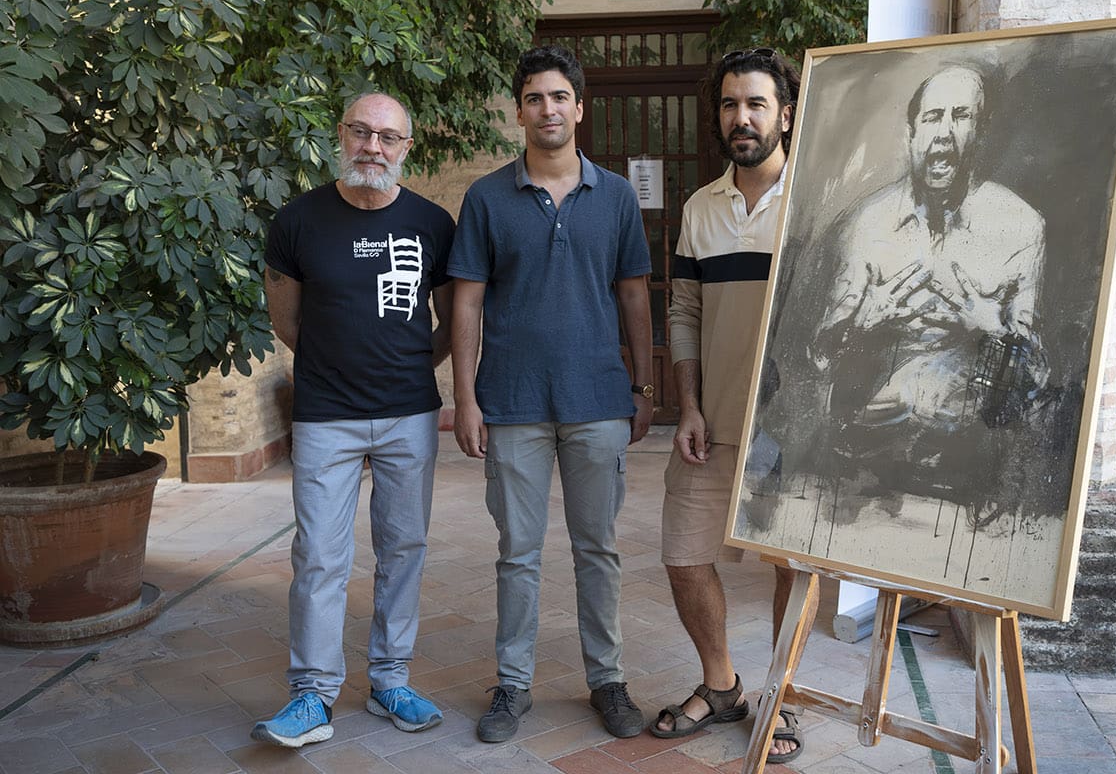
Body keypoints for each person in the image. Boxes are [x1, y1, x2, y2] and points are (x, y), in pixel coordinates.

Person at [448, 45, 653, 744]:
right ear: (519, 112)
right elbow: (467, 305)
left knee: (598, 549)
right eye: (534, 98)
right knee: (518, 553)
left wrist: (643, 384)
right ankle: (512, 687)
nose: (548, 109)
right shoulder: (485, 197)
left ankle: (608, 681)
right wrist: (467, 399)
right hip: (511, 405)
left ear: (580, 108)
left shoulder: (618, 196)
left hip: (598, 400)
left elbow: (634, 294)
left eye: (559, 97)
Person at [252, 92, 453, 747]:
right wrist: (336, 365)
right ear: (342, 135)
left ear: (406, 148)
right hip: (325, 416)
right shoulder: (298, 220)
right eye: (362, 133)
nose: (373, 147)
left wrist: (409, 366)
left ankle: (390, 680)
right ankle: (312, 696)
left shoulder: (432, 223)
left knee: (403, 551)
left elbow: (451, 320)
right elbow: (287, 321)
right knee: (318, 557)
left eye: (388, 137)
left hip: (409, 416)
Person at [649, 48, 817, 765]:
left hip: (794, 430)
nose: (740, 117)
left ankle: (781, 695)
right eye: (728, 104)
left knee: (792, 568)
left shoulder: (817, 198)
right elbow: (684, 312)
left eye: (754, 104)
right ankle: (723, 689)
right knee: (685, 558)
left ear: (785, 112)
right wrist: (686, 404)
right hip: (709, 425)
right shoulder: (698, 209)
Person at [805, 64, 1047, 515]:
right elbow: (821, 356)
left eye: (961, 116)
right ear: (912, 132)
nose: (945, 133)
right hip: (866, 467)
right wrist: (862, 322)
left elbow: (1037, 374)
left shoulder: (1021, 225)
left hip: (968, 475)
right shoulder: (866, 224)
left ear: (982, 131)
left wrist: (995, 330)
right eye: (933, 117)